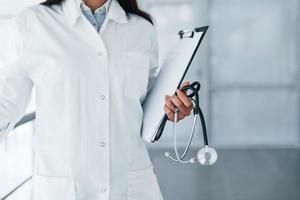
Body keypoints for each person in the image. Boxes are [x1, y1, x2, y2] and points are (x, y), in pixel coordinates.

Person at [0, 0, 193, 199]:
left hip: (131, 182)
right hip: (63, 185)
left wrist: (172, 108)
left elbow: (146, 105)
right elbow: (6, 102)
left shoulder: (142, 29)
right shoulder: (33, 22)